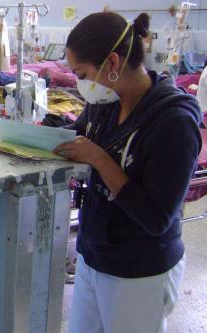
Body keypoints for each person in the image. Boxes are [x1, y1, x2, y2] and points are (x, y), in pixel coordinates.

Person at [53, 12, 202, 333]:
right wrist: (34, 139)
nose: (80, 84)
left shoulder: (173, 121)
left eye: (81, 73)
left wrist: (100, 159)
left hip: (140, 268)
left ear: (112, 63)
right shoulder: (106, 100)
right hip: (95, 253)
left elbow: (156, 219)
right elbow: (77, 136)